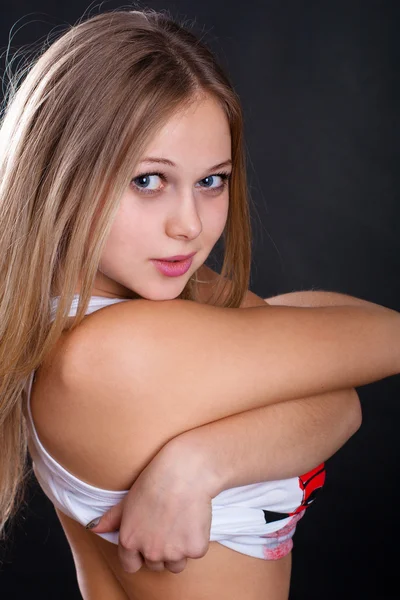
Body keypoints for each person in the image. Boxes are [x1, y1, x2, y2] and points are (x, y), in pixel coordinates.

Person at [0, 7, 399, 600]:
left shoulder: (95, 307)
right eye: (147, 180)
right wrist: (216, 454)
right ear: (62, 173)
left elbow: (340, 402)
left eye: (211, 180)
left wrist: (202, 462)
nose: (189, 226)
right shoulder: (119, 351)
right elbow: (381, 343)